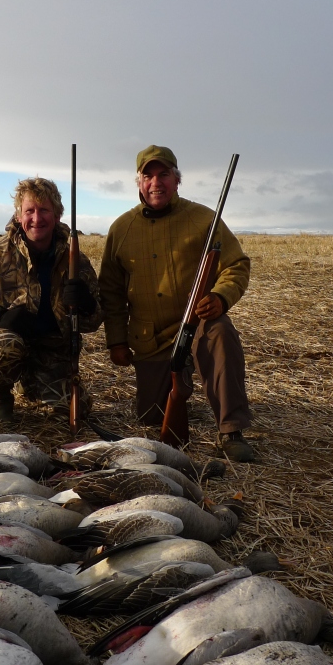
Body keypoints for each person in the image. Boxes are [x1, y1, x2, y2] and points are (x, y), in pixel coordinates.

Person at [98, 145, 254, 461]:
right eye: (148, 176)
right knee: (151, 418)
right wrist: (116, 341)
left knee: (220, 332)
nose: (156, 183)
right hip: (151, 340)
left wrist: (221, 297)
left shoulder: (204, 219)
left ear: (177, 180)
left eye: (164, 174)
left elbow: (236, 264)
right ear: (139, 182)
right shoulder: (121, 229)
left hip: (197, 325)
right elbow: (111, 292)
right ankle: (179, 389)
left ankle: (231, 430)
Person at [0, 177, 102, 425]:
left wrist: (88, 305)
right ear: (19, 216)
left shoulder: (75, 261)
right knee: (5, 344)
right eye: (29, 211)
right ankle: (1, 398)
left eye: (44, 210)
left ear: (58, 215)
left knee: (77, 408)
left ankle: (31, 384)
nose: (36, 219)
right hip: (9, 344)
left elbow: (93, 322)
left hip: (51, 351)